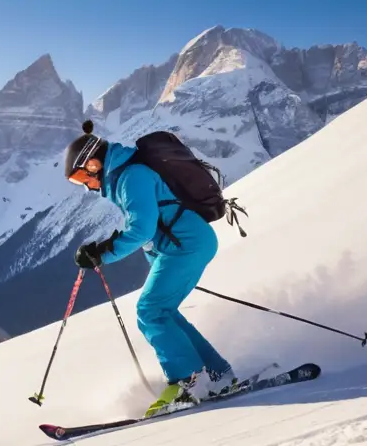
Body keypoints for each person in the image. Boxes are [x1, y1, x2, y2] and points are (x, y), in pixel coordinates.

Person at [63, 121, 238, 418]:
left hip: (187, 245)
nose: (85, 186)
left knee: (150, 311)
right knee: (163, 312)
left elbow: (142, 229)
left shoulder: (132, 176)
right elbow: (156, 227)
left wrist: (102, 253)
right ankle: (218, 375)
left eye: (82, 177)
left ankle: (188, 382)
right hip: (183, 245)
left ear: (94, 164)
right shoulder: (126, 178)